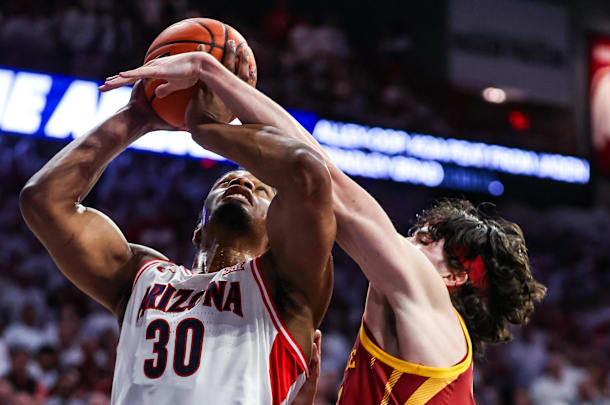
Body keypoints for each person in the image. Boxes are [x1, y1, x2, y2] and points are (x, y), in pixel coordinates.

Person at [102, 40, 546, 404]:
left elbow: (324, 176)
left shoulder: (430, 302)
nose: (409, 239)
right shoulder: (402, 347)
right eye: (419, 231)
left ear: (453, 276)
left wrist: (211, 76)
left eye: (429, 240)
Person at [21, 41, 335, 404]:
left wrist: (204, 128)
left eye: (261, 188)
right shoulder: (142, 276)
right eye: (226, 182)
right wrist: (135, 117)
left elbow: (308, 173)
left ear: (278, 230)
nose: (242, 181)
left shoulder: (288, 286)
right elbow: (44, 201)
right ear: (197, 227)